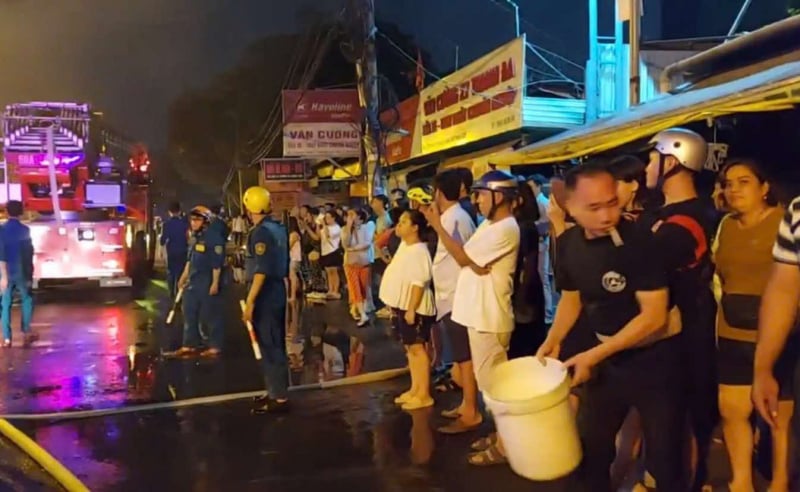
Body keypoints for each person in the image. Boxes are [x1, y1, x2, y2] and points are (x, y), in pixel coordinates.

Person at [536, 163, 684, 490]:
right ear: (569, 207)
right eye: (594, 208)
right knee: (592, 450)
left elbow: (654, 316)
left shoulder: (640, 242)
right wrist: (554, 338)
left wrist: (595, 353)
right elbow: (572, 299)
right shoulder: (571, 245)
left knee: (665, 457)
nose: (606, 216)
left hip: (655, 361)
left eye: (611, 203)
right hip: (607, 363)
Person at [422, 169, 520, 466]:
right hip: (479, 315)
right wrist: (470, 261)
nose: (475, 201)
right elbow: (471, 260)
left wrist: (438, 226)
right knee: (490, 384)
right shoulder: (491, 225)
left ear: (498, 196)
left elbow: (465, 258)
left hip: (489, 317)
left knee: (494, 389)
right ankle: (502, 436)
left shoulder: (505, 228)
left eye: (480, 195)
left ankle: (506, 446)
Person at [640, 127, 718, 491]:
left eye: (652, 158)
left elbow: (640, 265)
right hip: (660, 340)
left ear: (671, 162)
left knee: (682, 425)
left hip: (687, 340)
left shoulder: (693, 218)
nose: (646, 168)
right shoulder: (659, 213)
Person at [714, 159, 794, 492]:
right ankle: (741, 482)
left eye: (744, 182)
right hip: (732, 334)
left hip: (778, 336)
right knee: (733, 411)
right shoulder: (726, 226)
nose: (734, 189)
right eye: (728, 183)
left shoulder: (785, 223)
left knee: (778, 419)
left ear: (764, 188)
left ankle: (779, 482)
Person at [429, 169, 480, 435]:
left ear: (439, 192)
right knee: (460, 356)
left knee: (465, 356)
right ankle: (465, 405)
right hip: (449, 296)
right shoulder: (449, 216)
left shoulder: (456, 217)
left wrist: (436, 225)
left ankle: (471, 410)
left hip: (459, 294)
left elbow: (465, 255)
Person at [241, 186, 291, 414]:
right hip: (277, 288)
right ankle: (274, 390)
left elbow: (261, 270)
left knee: (270, 343)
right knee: (274, 341)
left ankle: (278, 397)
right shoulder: (278, 228)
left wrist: (250, 302)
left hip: (265, 292)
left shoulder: (260, 232)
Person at [380, 209, 436, 410]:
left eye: (404, 222)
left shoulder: (419, 250)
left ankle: (424, 394)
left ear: (415, 228)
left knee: (418, 349)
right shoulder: (406, 245)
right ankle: (415, 388)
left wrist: (412, 309)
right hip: (403, 306)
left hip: (416, 307)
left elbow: (418, 283)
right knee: (410, 348)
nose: (399, 225)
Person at [170, 206, 225, 358]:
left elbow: (217, 263)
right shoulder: (194, 237)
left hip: (207, 281)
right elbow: (190, 259)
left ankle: (214, 346)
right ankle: (189, 344)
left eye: (197, 219)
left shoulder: (214, 238)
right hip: (193, 281)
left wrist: (215, 283)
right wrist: (183, 277)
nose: (193, 223)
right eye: (192, 220)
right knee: (189, 313)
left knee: (209, 315)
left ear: (206, 221)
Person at [1, 200, 32, 348]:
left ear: (7, 212)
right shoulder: (25, 230)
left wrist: (4, 276)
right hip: (21, 271)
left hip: (5, 271)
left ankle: (7, 338)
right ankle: (25, 331)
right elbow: (28, 253)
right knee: (27, 299)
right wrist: (30, 273)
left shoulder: (1, 230)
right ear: (21, 212)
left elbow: (1, 254)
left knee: (5, 303)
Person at [527, 174, 555, 324]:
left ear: (538, 186)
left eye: (532, 187)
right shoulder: (536, 202)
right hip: (538, 242)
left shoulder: (543, 203)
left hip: (541, 242)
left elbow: (547, 226)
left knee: (543, 278)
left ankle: (548, 314)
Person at [160, 201, 189, 299]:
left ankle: (172, 293)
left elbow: (163, 240)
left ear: (169, 212)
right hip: (183, 251)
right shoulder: (184, 224)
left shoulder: (166, 224)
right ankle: (180, 293)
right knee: (181, 273)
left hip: (172, 252)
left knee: (171, 272)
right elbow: (188, 238)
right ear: (180, 211)